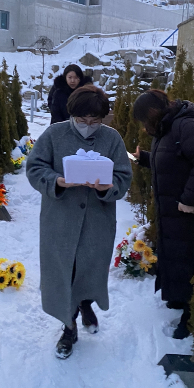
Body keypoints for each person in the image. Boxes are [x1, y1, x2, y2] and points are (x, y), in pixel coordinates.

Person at [26, 85, 132, 359]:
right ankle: (68, 327)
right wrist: (57, 181)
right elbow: (35, 167)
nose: (88, 126)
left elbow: (124, 177)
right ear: (72, 114)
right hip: (59, 221)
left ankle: (85, 303)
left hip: (97, 221)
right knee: (64, 273)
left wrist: (107, 188)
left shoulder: (112, 139)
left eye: (94, 121)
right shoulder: (54, 134)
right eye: (82, 120)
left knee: (88, 268)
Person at [132, 90, 194, 339]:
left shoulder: (186, 125)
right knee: (177, 257)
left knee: (190, 258)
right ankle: (180, 299)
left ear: (152, 113)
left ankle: (193, 314)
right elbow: (172, 160)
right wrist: (145, 159)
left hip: (187, 209)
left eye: (143, 120)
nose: (143, 126)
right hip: (172, 209)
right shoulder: (168, 127)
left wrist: (190, 199)